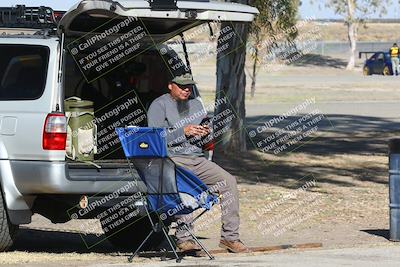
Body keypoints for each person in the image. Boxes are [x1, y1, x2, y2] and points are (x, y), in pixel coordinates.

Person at [147, 73, 250, 253]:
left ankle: (230, 237)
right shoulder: (159, 105)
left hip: (197, 158)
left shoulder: (196, 104)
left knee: (229, 182)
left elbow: (206, 135)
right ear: (170, 85)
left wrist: (205, 133)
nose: (187, 90)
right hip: (173, 159)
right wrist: (183, 132)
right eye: (182, 86)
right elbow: (153, 138)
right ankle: (184, 239)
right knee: (185, 188)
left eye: (189, 86)